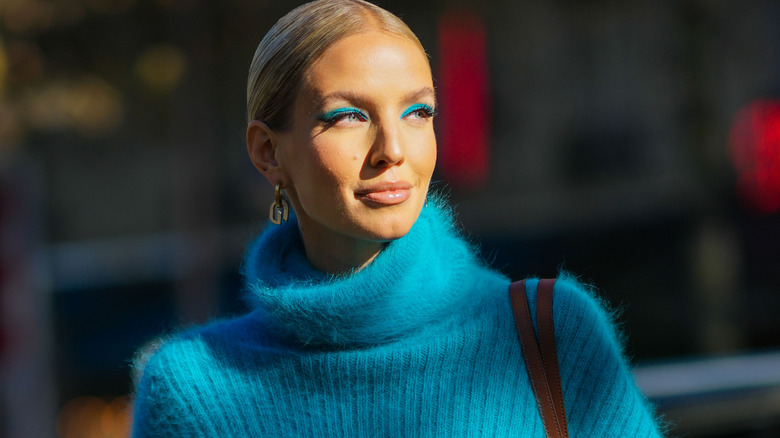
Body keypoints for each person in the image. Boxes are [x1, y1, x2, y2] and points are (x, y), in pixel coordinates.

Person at [131, 0, 665, 436]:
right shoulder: (193, 389)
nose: (393, 148)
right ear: (268, 152)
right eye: (348, 116)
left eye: (418, 113)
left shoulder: (549, 331)